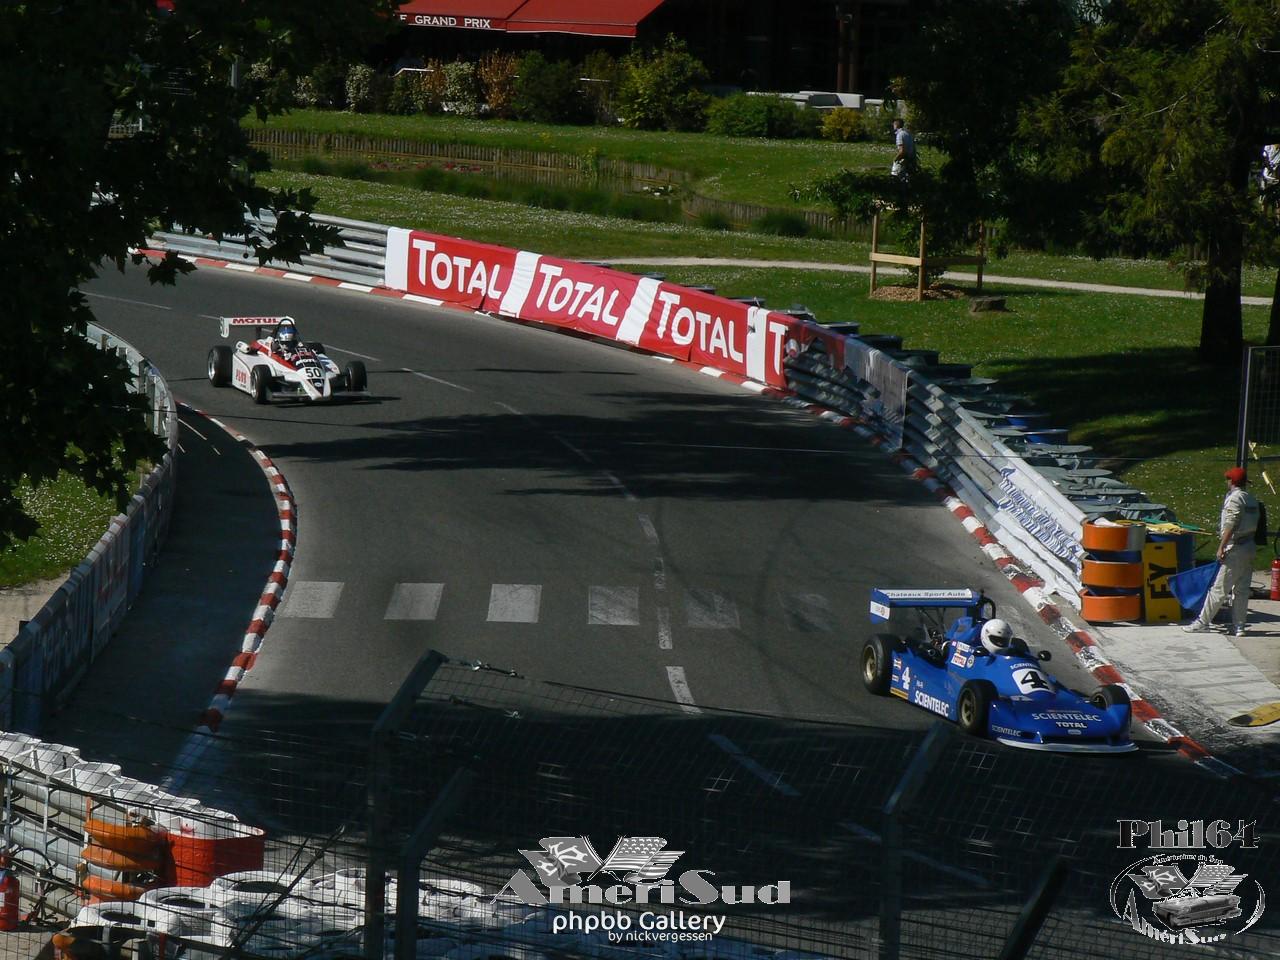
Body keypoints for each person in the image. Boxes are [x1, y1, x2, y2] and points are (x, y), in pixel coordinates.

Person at [1183, 467, 1259, 637]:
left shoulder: (1235, 499)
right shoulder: (1251, 499)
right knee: (1241, 590)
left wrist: (1221, 546)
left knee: (1219, 589)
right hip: (1249, 546)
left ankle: (1202, 622)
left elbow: (1231, 523)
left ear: (1232, 481)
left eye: (1228, 479)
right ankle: (1239, 626)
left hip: (1235, 547)